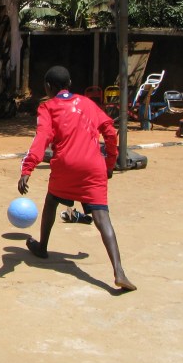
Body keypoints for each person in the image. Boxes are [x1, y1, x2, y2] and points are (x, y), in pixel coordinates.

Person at [18, 66, 136, 291]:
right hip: (93, 167)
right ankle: (119, 272)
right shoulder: (88, 103)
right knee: (103, 218)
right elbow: (110, 131)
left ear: (48, 87)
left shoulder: (47, 107)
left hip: (66, 166)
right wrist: (110, 163)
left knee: (51, 201)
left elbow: (42, 138)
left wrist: (27, 168)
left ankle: (42, 247)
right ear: (70, 84)